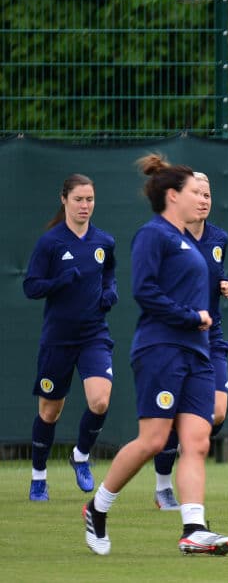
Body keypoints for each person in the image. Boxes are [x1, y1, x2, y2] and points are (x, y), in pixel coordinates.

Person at [82, 153, 228, 556]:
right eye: (194, 192)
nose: (202, 198)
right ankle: (97, 508)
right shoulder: (153, 235)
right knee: (153, 440)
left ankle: (193, 528)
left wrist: (204, 315)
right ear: (173, 196)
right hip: (161, 349)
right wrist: (191, 316)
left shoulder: (192, 241)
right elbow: (145, 291)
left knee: (197, 442)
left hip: (199, 353)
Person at [23, 174, 116, 502]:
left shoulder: (104, 241)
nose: (84, 205)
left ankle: (81, 455)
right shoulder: (50, 243)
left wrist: (110, 291)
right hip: (58, 339)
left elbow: (109, 273)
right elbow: (31, 286)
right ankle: (38, 477)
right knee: (49, 413)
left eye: (90, 199)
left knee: (100, 401)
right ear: (64, 200)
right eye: (78, 199)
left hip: (94, 335)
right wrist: (58, 282)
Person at [151, 171, 228, 510]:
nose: (203, 200)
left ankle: (185, 447)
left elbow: (214, 273)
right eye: (197, 193)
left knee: (216, 413)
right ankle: (163, 487)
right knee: (170, 414)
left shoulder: (219, 238)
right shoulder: (168, 237)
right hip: (176, 337)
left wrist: (225, 284)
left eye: (207, 194)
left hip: (210, 336)